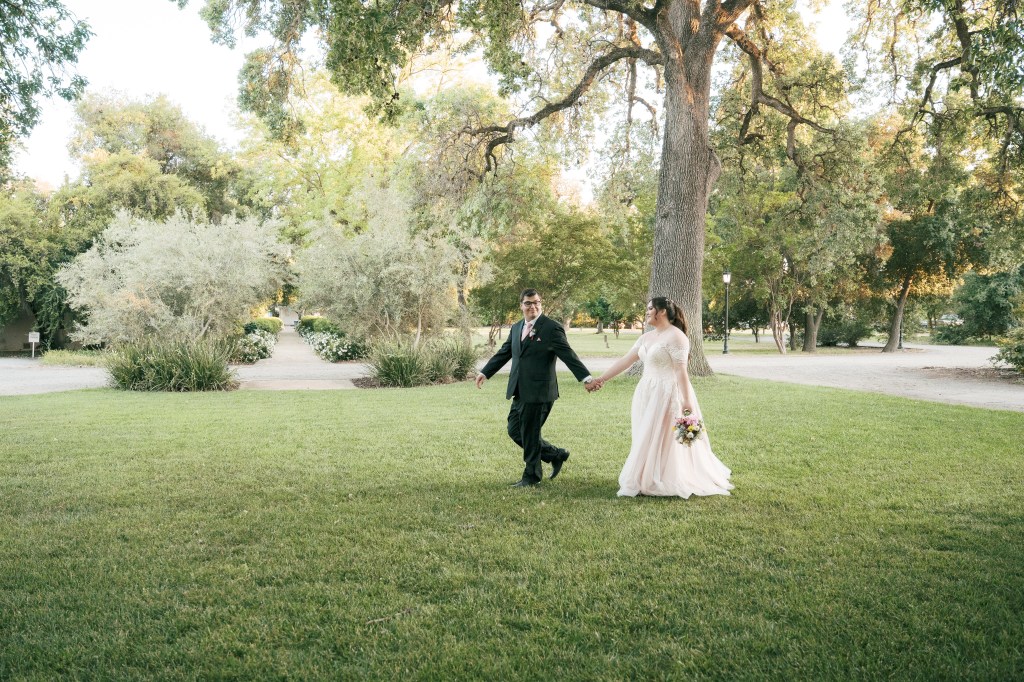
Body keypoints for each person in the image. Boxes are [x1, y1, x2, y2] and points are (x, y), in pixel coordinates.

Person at [590, 297, 733, 498]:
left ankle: (665, 477)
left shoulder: (677, 337)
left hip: (668, 393)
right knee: (646, 433)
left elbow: (681, 371)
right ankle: (645, 476)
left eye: (650, 308)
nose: (647, 312)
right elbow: (625, 361)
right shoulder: (646, 338)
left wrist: (686, 400)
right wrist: (601, 379)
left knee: (665, 436)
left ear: (662, 311)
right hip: (647, 392)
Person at [476, 289, 595, 487]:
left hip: (540, 392)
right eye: (528, 303)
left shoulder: (551, 328)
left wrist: (586, 378)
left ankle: (531, 476)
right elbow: (504, 352)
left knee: (530, 434)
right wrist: (485, 372)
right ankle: (556, 454)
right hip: (520, 390)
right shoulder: (516, 328)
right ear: (521, 306)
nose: (533, 306)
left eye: (537, 302)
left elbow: (568, 354)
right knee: (515, 430)